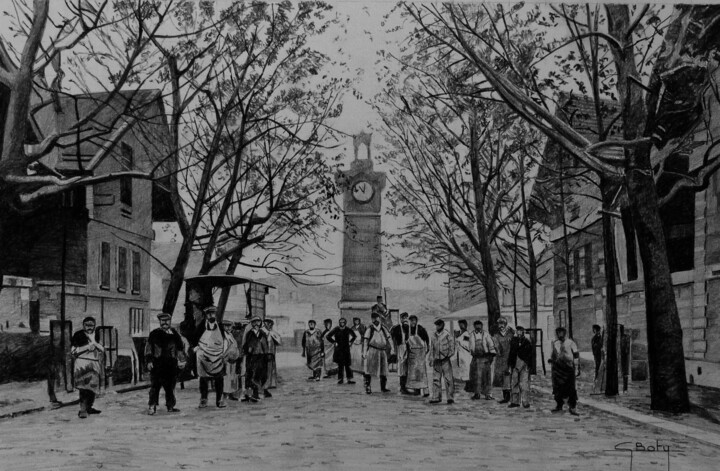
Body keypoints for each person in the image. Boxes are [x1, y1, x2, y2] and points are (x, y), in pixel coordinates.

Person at [145, 312, 186, 415]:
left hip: (171, 364)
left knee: (170, 386)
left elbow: (180, 349)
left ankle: (170, 406)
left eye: (166, 320)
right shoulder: (154, 333)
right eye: (162, 321)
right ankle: (152, 406)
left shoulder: (175, 334)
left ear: (170, 321)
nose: (164, 323)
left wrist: (182, 360)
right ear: (160, 322)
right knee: (155, 386)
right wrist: (149, 361)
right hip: (157, 364)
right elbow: (149, 348)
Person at [194, 306, 228, 409]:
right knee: (203, 379)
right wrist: (197, 348)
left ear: (215, 315)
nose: (211, 316)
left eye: (213, 314)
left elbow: (226, 339)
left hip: (218, 356)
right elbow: (195, 339)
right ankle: (203, 399)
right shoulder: (201, 327)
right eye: (209, 314)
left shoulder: (221, 327)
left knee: (219, 379)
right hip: (204, 356)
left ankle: (219, 400)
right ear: (206, 316)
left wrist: (224, 351)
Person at [71, 316, 104, 419]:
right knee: (84, 388)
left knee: (93, 387)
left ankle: (89, 407)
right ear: (83, 325)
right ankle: (83, 410)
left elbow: (102, 348)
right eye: (87, 325)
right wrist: (86, 347)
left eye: (92, 325)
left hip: (94, 363)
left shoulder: (97, 334)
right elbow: (73, 351)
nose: (89, 327)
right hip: (83, 364)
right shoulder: (78, 335)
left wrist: (96, 345)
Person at [549, 327, 580, 415]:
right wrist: (551, 360)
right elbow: (553, 355)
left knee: (571, 388)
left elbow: (576, 355)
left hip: (568, 369)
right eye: (558, 333)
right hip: (558, 369)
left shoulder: (570, 343)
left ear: (565, 333)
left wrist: (577, 367)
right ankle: (559, 405)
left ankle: (573, 407)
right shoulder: (555, 343)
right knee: (558, 388)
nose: (560, 334)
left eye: (561, 333)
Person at [362, 311, 395, 394]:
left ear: (379, 319)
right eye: (373, 318)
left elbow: (389, 338)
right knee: (368, 369)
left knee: (383, 370)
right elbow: (365, 341)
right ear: (372, 319)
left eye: (377, 318)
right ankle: (368, 387)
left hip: (382, 351)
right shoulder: (370, 329)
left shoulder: (384, 328)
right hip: (372, 350)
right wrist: (364, 352)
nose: (375, 320)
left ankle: (383, 387)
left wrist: (392, 349)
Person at [242, 316, 269, 402]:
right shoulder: (249, 333)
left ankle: (256, 393)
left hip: (261, 357)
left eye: (258, 322)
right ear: (252, 323)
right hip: (252, 357)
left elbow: (266, 345)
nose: (256, 324)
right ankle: (249, 394)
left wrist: (266, 355)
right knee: (250, 374)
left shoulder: (263, 334)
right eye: (254, 322)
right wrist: (248, 349)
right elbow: (245, 345)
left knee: (259, 375)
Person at [428, 319, 455, 404]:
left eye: (438, 325)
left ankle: (450, 397)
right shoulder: (433, 335)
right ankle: (436, 397)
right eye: (436, 325)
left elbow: (452, 347)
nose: (437, 327)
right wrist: (431, 359)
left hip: (445, 360)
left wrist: (448, 355)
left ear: (442, 325)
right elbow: (432, 348)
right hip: (436, 360)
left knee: (448, 379)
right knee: (436, 379)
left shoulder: (447, 334)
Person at [468, 320, 496, 400]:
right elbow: (471, 346)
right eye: (476, 326)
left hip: (485, 358)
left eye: (479, 326)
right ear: (474, 326)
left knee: (487, 377)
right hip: (476, 358)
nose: (478, 328)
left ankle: (488, 394)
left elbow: (491, 344)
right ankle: (477, 393)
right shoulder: (472, 335)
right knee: (476, 377)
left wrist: (491, 355)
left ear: (482, 326)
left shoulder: (486, 334)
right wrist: (473, 352)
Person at [507, 326, 533, 409]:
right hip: (515, 364)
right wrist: (510, 365)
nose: (519, 332)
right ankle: (515, 402)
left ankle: (525, 401)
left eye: (520, 331)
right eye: (517, 331)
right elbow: (511, 353)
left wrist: (529, 365)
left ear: (523, 332)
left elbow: (531, 355)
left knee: (524, 384)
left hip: (524, 365)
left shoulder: (527, 342)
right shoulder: (513, 341)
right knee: (514, 383)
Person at [326, 317, 357, 384]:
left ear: (345, 323)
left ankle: (349, 379)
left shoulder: (348, 329)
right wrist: (334, 342)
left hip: (346, 349)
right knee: (340, 365)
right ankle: (340, 379)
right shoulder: (336, 329)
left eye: (343, 322)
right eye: (340, 322)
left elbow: (354, 336)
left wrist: (351, 342)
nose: (341, 323)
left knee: (347, 365)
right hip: (339, 349)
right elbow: (328, 336)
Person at [406, 315, 430, 397]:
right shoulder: (408, 330)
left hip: (420, 352)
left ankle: (426, 391)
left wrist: (427, 348)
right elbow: (406, 342)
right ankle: (416, 390)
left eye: (414, 320)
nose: (412, 322)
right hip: (412, 353)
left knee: (421, 372)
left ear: (416, 321)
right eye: (411, 320)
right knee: (413, 373)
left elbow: (427, 339)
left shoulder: (421, 329)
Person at [493, 317, 515, 404]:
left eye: (502, 324)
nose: (501, 326)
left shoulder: (510, 334)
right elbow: (496, 347)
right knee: (503, 379)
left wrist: (512, 331)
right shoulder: (496, 335)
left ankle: (511, 397)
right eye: (499, 324)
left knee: (509, 378)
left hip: (509, 358)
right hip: (500, 360)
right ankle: (506, 397)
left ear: (505, 325)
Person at [390, 312, 411, 394]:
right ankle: (403, 387)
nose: (405, 319)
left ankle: (409, 386)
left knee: (408, 368)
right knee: (402, 368)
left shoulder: (410, 328)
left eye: (406, 318)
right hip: (400, 348)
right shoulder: (396, 328)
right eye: (403, 318)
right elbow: (391, 338)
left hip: (409, 348)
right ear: (401, 319)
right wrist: (393, 350)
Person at [221, 319, 241, 402]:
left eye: (230, 326)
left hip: (233, 359)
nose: (228, 328)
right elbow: (224, 349)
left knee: (232, 377)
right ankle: (226, 394)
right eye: (226, 326)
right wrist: (225, 357)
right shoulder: (224, 337)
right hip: (227, 359)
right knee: (227, 377)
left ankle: (232, 393)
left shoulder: (231, 335)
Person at [262, 318, 282, 396]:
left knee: (270, 370)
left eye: (271, 324)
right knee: (265, 371)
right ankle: (264, 386)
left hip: (271, 353)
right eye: (267, 324)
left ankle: (270, 384)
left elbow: (279, 341)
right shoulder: (262, 332)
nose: (269, 325)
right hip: (263, 354)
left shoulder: (273, 332)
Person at [454, 319, 471, 389]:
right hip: (459, 354)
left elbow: (467, 345)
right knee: (460, 368)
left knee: (466, 368)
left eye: (462, 324)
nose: (461, 326)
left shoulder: (466, 334)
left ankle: (468, 385)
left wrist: (458, 339)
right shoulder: (460, 333)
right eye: (459, 324)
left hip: (465, 354)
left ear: (465, 325)